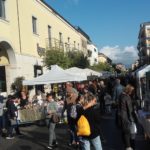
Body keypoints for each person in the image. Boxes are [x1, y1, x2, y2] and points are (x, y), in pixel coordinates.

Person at [119, 84, 137, 150]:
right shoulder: (127, 97)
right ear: (129, 90)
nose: (132, 92)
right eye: (132, 91)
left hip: (122, 117)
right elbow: (130, 110)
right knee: (129, 134)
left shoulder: (121, 95)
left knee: (125, 133)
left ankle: (127, 146)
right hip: (126, 118)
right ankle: (129, 147)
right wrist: (133, 120)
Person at [61, 82, 78, 146]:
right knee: (70, 129)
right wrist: (62, 113)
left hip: (75, 115)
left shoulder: (76, 97)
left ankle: (76, 141)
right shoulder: (66, 98)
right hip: (69, 115)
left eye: (69, 92)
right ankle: (71, 141)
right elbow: (64, 106)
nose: (67, 94)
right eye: (67, 93)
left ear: (72, 92)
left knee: (76, 129)